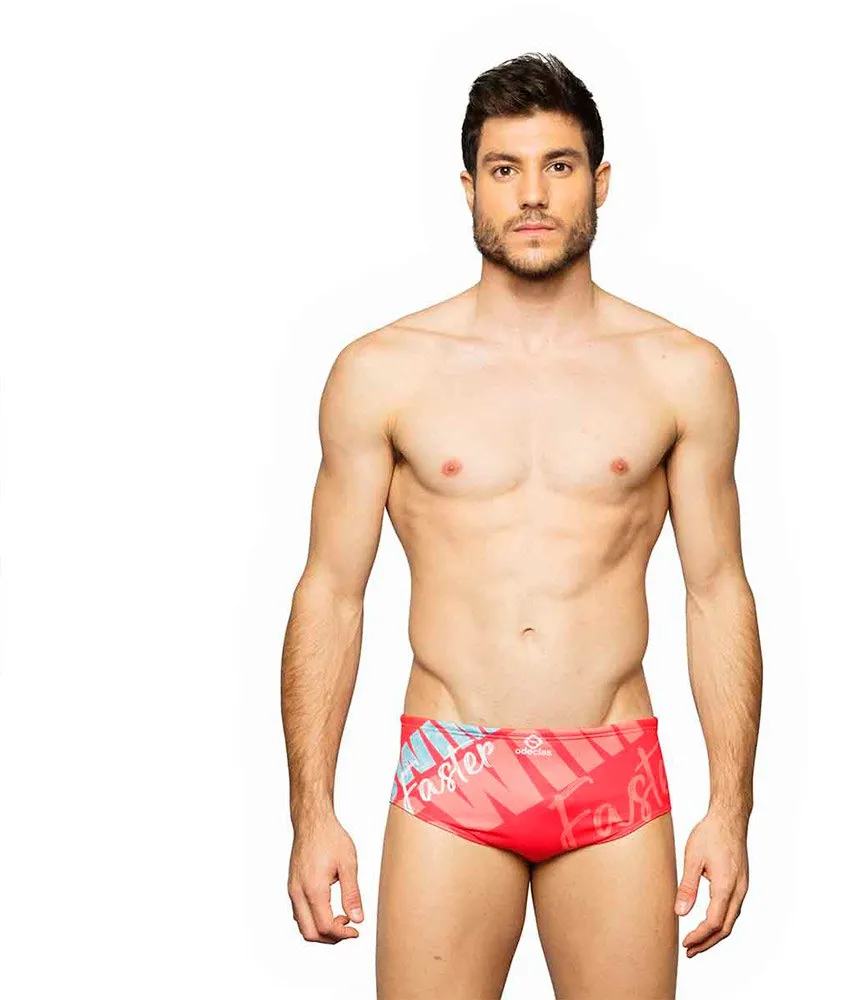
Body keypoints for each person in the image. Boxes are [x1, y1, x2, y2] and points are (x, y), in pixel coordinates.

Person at [281, 51, 762, 999]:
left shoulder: (680, 371)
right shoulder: (383, 370)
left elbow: (716, 592)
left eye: (559, 165)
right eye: (505, 169)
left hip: (612, 770)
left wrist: (730, 809)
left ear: (600, 181)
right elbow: (331, 593)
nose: (532, 194)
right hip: (452, 766)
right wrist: (311, 813)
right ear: (470, 188)